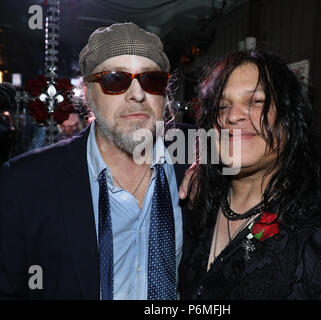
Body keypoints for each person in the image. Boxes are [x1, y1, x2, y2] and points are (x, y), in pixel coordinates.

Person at [0, 22, 189, 300]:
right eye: (115, 80)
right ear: (88, 94)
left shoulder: (196, 157)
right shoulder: (25, 184)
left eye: (152, 80)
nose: (137, 94)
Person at [178, 49, 321, 299]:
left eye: (256, 102)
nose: (232, 116)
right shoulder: (194, 204)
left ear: (290, 119)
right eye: (221, 106)